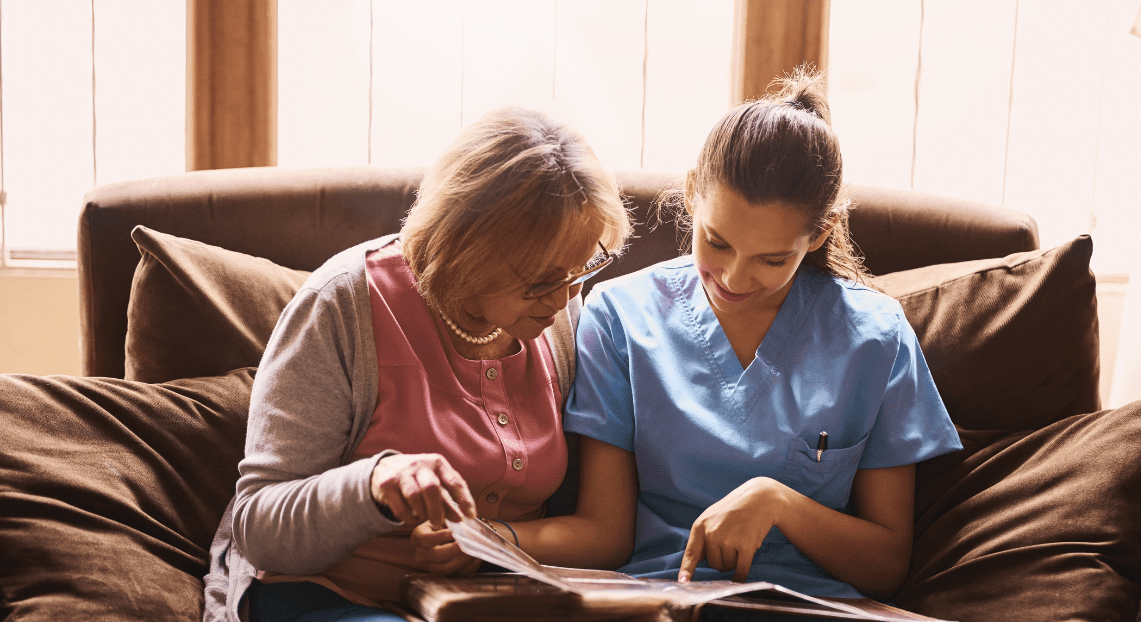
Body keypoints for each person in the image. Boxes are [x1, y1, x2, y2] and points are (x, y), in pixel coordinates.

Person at [202, 105, 633, 622]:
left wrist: (492, 542)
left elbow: (599, 524)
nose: (563, 300)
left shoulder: (558, 314)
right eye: (539, 282)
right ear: (467, 251)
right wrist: (374, 484)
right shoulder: (343, 304)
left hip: (486, 600)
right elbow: (260, 526)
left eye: (580, 269)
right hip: (331, 595)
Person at [556, 69, 963, 603]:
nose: (733, 278)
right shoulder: (618, 316)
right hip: (659, 599)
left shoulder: (877, 339)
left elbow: (886, 566)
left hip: (812, 609)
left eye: (772, 260)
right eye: (717, 242)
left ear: (818, 234)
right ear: (691, 193)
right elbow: (604, 532)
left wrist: (779, 503)